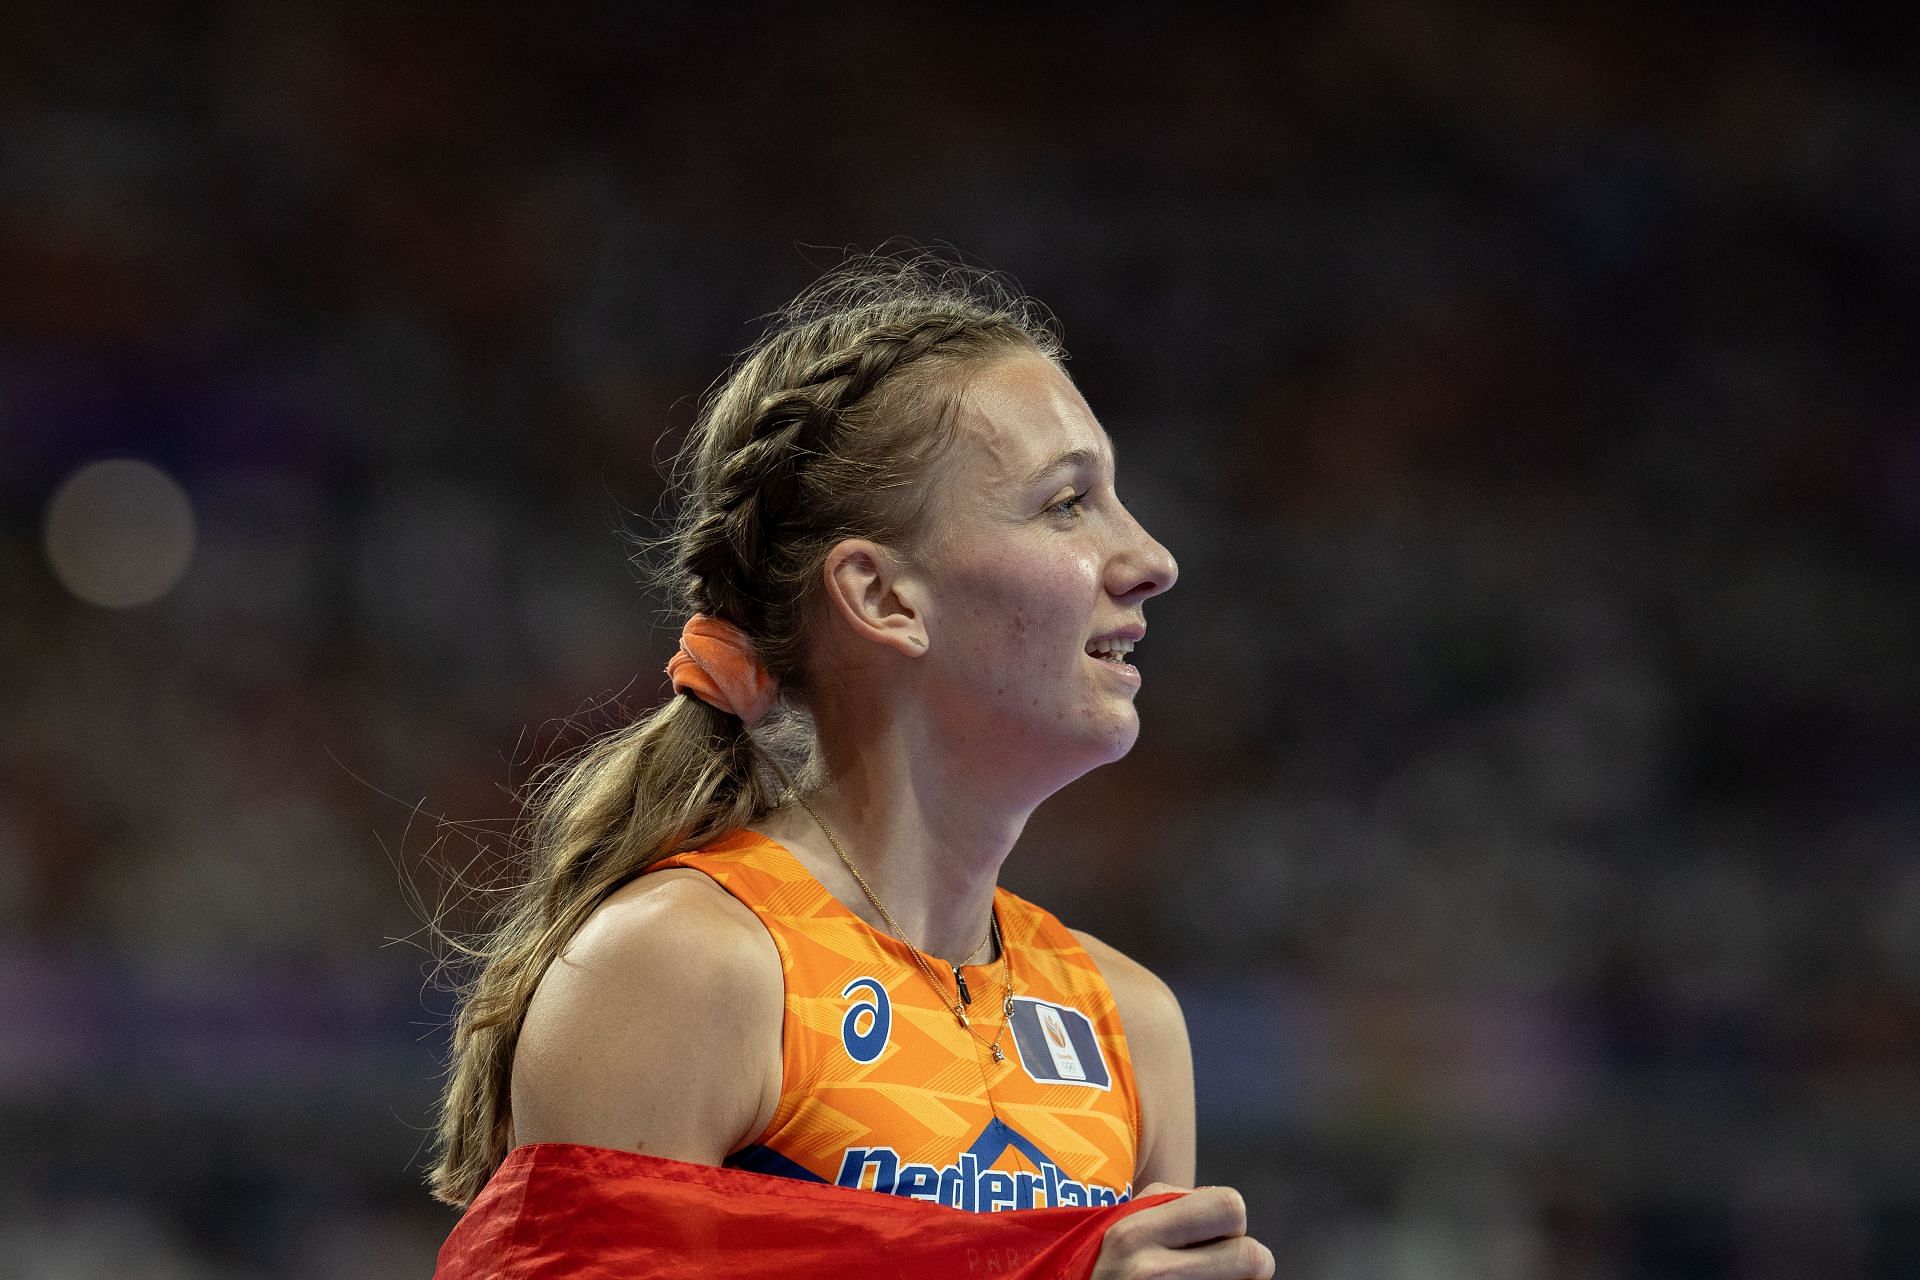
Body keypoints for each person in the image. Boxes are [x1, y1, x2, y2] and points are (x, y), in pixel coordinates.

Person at [429, 255, 1275, 1279]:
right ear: (883, 597)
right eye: (1066, 504)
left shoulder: (1128, 1024)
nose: (1149, 556)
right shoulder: (684, 969)